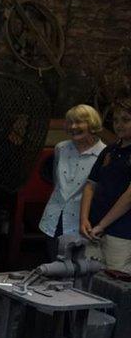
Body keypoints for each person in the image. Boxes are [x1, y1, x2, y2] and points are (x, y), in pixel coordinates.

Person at [38, 104, 105, 256]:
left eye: (79, 122)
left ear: (92, 124)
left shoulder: (103, 154)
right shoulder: (61, 148)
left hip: (83, 223)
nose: (73, 126)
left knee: (78, 271)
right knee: (54, 267)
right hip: (54, 218)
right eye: (70, 122)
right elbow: (57, 182)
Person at [81, 97, 131, 271]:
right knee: (89, 277)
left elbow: (129, 196)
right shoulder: (110, 150)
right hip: (94, 227)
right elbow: (90, 184)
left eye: (126, 120)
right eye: (116, 120)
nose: (119, 125)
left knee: (115, 281)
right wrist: (84, 219)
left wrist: (103, 224)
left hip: (121, 230)